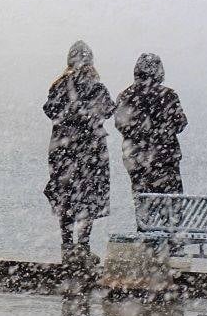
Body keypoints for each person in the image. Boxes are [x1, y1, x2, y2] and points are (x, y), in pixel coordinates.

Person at [44, 41, 115, 266]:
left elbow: (50, 110)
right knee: (88, 199)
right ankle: (83, 248)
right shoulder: (97, 88)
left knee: (65, 198)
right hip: (90, 153)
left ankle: (67, 248)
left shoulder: (58, 86)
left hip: (62, 151)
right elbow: (107, 110)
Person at [114, 53, 187, 211]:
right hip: (166, 161)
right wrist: (162, 131)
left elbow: (120, 125)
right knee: (171, 208)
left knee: (144, 208)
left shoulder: (125, 96)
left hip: (137, 161)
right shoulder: (168, 95)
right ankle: (170, 225)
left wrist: (140, 135)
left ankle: (147, 225)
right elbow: (180, 123)